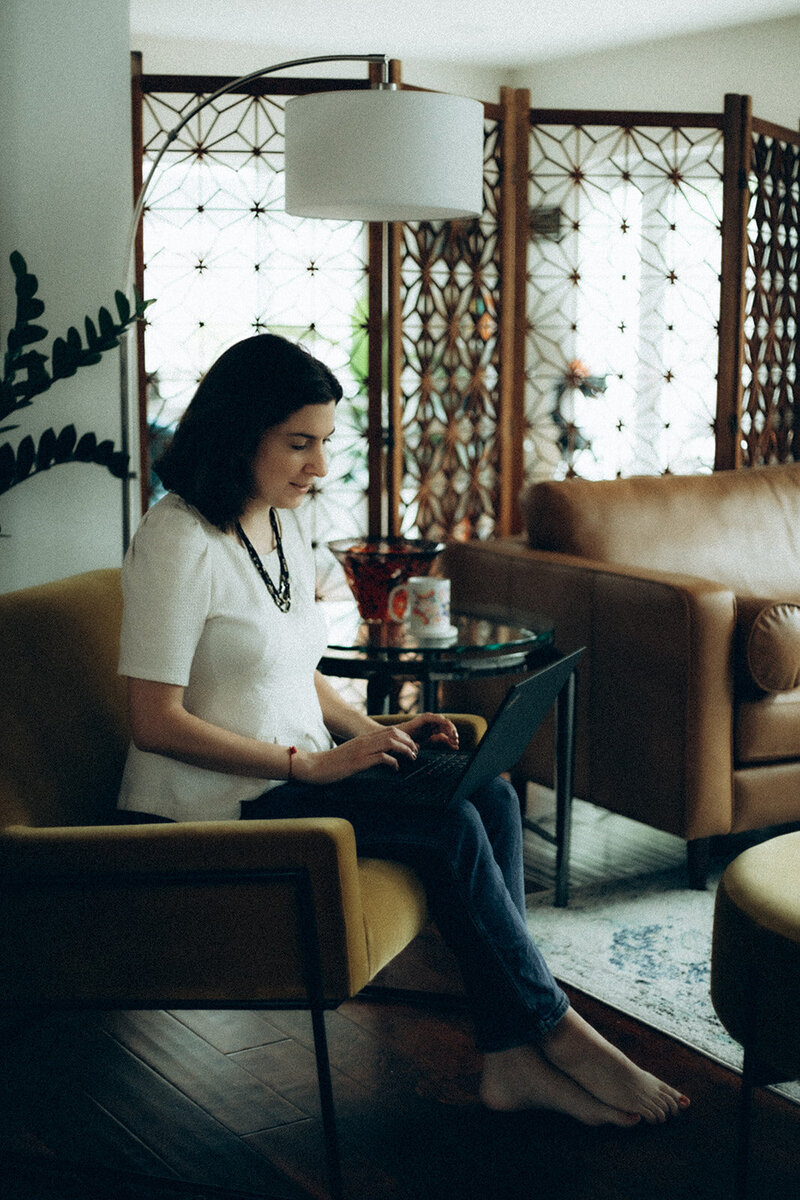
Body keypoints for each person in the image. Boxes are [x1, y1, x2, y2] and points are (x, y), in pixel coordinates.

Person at [117, 333, 689, 1127]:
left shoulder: (278, 525)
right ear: (239, 429)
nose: (319, 467)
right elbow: (154, 722)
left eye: (323, 443)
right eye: (300, 444)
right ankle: (556, 1028)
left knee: (484, 794)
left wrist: (374, 729)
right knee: (450, 823)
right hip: (218, 804)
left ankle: (507, 1056)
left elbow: (290, 665)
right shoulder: (177, 538)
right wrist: (311, 766)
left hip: (294, 774)